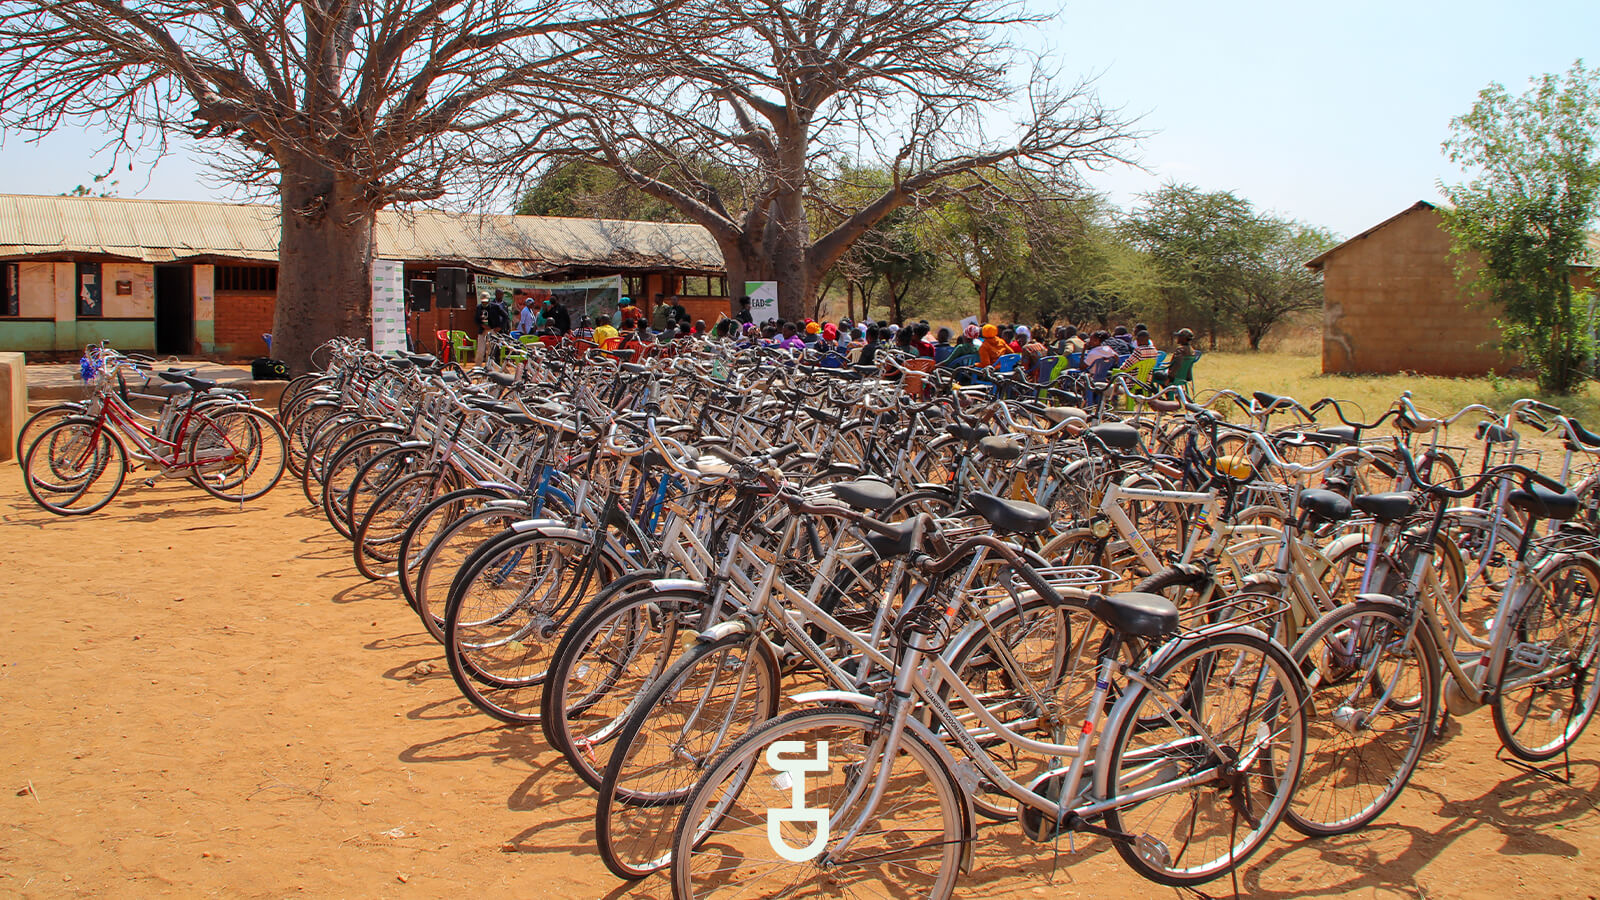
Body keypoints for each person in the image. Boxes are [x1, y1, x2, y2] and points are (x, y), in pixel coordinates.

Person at [475, 297, 510, 362]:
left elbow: (506, 316)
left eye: (486, 302)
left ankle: (489, 365)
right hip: (482, 331)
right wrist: (482, 325)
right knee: (480, 350)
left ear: (489, 301)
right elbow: (476, 319)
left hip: (493, 330)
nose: (484, 304)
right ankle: (478, 365)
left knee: (490, 351)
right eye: (483, 302)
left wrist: (500, 327)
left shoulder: (495, 307)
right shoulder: (479, 307)